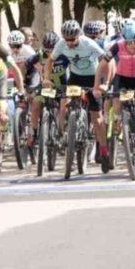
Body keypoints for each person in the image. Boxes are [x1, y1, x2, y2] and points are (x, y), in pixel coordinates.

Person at [44, 20, 109, 172]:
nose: (69, 42)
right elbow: (50, 61)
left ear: (79, 36)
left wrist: (104, 82)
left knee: (97, 118)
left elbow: (106, 60)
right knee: (64, 104)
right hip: (75, 77)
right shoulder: (61, 44)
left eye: (72, 39)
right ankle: (66, 136)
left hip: (92, 78)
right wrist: (46, 78)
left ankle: (104, 151)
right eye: (66, 39)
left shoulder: (89, 43)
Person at [95, 19, 135, 162]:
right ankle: (118, 121)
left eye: (133, 41)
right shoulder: (118, 45)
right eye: (128, 42)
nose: (131, 45)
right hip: (122, 78)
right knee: (116, 103)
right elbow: (102, 65)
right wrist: (97, 86)